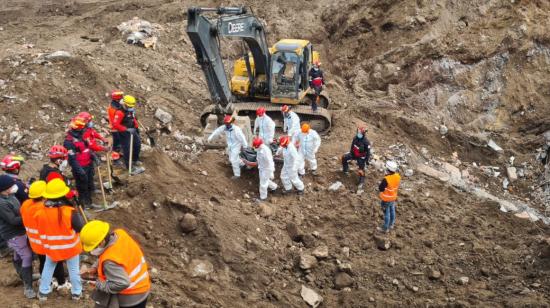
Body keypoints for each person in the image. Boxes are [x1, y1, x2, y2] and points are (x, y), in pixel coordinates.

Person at [80, 220, 151, 307]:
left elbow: (122, 283)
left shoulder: (109, 262)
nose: (91, 251)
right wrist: (95, 267)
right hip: (142, 285)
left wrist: (97, 283)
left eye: (93, 248)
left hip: (131, 295)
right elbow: (108, 254)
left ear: (102, 242)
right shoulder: (119, 234)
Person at [36, 178, 84, 301]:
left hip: (52, 247)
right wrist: (75, 206)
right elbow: (80, 228)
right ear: (63, 193)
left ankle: (43, 292)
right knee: (74, 270)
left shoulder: (41, 212)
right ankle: (76, 293)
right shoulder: (69, 211)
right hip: (70, 247)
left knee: (48, 268)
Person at [20, 181, 69, 291]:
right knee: (57, 262)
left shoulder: (26, 204)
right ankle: (62, 283)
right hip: (46, 241)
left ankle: (48, 280)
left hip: (34, 241)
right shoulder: (43, 208)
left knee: (43, 262)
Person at [0, 175, 36, 298]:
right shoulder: (2, 203)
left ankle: (23, 274)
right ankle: (28, 286)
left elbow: (19, 211)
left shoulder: (11, 196)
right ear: (5, 189)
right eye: (11, 185)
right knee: (27, 256)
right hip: (12, 233)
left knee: (19, 253)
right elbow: (13, 220)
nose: (14, 187)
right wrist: (29, 215)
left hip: (20, 231)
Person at [64, 117, 97, 209]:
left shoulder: (81, 137)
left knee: (89, 183)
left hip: (88, 164)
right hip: (80, 167)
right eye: (82, 128)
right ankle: (84, 205)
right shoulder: (68, 142)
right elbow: (72, 159)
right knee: (82, 186)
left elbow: (86, 149)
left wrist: (93, 156)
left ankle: (89, 202)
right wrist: (79, 170)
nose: (84, 129)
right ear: (77, 128)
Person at [207, 115, 248, 179]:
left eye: (228, 123)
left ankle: (237, 175)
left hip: (236, 146)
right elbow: (217, 131)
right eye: (226, 123)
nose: (227, 124)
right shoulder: (224, 128)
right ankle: (242, 164)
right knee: (231, 159)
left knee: (233, 160)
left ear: (231, 122)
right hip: (230, 146)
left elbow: (242, 138)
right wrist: (210, 137)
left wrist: (245, 146)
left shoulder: (236, 130)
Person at [112, 95, 143, 173]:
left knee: (137, 144)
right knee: (127, 149)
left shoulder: (130, 109)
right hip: (124, 133)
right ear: (124, 104)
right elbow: (115, 125)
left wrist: (136, 127)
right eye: (129, 106)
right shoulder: (119, 112)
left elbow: (133, 118)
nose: (130, 107)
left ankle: (134, 160)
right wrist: (127, 129)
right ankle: (129, 167)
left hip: (133, 130)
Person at [342, 126, 372, 192]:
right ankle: (345, 170)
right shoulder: (355, 138)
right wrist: (351, 154)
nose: (358, 134)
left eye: (360, 133)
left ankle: (361, 182)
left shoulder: (366, 142)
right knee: (344, 157)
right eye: (358, 132)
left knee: (361, 170)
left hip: (361, 157)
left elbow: (368, 152)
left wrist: (366, 160)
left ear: (363, 134)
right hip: (354, 154)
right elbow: (352, 146)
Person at [378, 161, 401, 233]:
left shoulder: (386, 179)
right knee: (392, 210)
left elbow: (381, 188)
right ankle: (391, 224)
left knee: (386, 213)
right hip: (393, 197)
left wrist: (381, 184)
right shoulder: (397, 176)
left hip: (386, 199)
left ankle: (385, 228)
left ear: (388, 170)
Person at [252, 137, 277, 202]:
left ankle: (263, 198)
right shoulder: (260, 149)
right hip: (262, 167)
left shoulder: (265, 151)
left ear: (259, 145)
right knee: (265, 180)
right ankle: (274, 187)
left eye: (256, 147)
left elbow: (270, 162)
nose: (255, 148)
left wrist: (271, 171)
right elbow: (258, 157)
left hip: (266, 169)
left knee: (263, 183)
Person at [108, 90, 124, 154]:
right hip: (115, 128)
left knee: (120, 140)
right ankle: (115, 154)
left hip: (118, 126)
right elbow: (115, 121)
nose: (122, 98)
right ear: (117, 99)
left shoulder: (116, 104)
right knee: (117, 142)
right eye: (121, 98)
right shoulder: (113, 109)